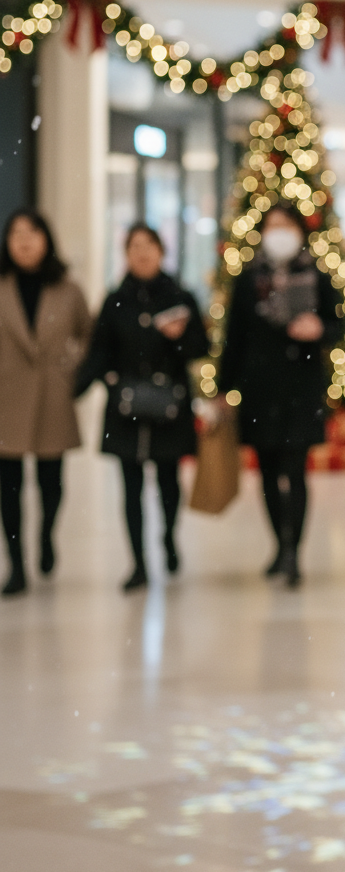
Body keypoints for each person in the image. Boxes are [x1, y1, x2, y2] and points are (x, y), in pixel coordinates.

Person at [76, 224, 208, 592]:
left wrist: (179, 337)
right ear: (126, 254)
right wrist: (87, 385)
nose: (142, 252)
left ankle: (168, 538)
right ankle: (138, 563)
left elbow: (201, 347)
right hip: (126, 408)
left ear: (161, 252)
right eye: (135, 246)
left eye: (149, 245)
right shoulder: (115, 300)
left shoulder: (180, 296)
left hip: (171, 406)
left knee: (169, 482)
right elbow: (99, 350)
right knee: (130, 487)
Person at [218, 201, 341, 587]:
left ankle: (293, 553)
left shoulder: (317, 276)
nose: (279, 233)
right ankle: (280, 544)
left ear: (300, 231)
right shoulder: (249, 279)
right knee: (268, 472)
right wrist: (222, 388)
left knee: (296, 469)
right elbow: (234, 336)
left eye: (286, 225)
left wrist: (318, 329)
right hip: (260, 389)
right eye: (272, 226)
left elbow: (338, 324)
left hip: (301, 387)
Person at [0, 212, 91, 596]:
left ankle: (46, 535)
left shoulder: (68, 290)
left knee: (51, 481)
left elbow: (88, 335)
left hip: (53, 395)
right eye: (16, 233)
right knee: (9, 486)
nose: (23, 241)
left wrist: (71, 371)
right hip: (7, 396)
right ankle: (16, 563)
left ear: (46, 240)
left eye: (32, 232)